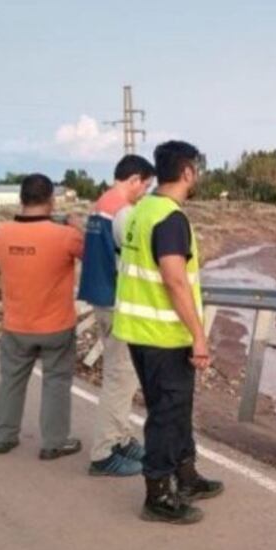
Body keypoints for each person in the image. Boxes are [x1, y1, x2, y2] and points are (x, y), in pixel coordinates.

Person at [113, 140, 223, 524]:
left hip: (139, 331)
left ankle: (185, 474)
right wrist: (199, 335)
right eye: (196, 170)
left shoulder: (143, 209)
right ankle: (158, 493)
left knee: (175, 410)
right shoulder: (170, 218)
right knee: (166, 413)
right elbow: (176, 280)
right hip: (163, 335)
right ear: (188, 172)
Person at [0, 174, 84, 460]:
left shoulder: (0, 233)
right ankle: (54, 441)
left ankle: (3, 436)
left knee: (11, 380)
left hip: (16, 324)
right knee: (56, 381)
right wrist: (78, 227)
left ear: (21, 199)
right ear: (52, 201)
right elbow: (91, 256)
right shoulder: (67, 236)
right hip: (57, 325)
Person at [78, 155, 156, 477]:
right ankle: (104, 452)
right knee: (120, 378)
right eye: (146, 186)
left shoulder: (100, 205)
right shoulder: (122, 212)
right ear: (134, 179)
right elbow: (139, 254)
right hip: (117, 302)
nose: (145, 193)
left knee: (122, 375)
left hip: (101, 296)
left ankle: (121, 439)